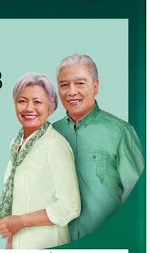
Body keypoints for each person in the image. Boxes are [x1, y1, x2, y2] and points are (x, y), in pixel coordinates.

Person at [53, 54, 144, 240]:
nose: (71, 91)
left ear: (96, 86)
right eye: (64, 85)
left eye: (80, 83)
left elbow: (138, 197)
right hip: (59, 243)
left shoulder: (120, 132)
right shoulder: (51, 133)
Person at [0, 73, 81, 249]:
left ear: (51, 107)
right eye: (22, 101)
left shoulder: (56, 146)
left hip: (48, 245)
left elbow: (70, 207)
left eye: (37, 102)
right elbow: (17, 198)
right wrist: (11, 242)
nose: (29, 108)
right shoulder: (16, 144)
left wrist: (20, 222)